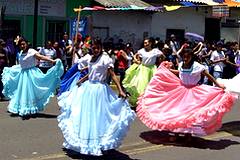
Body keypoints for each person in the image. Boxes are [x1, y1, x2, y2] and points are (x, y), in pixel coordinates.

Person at [136, 47, 237, 141]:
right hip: (180, 91)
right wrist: (168, 70)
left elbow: (208, 75)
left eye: (187, 56)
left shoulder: (197, 66)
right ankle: (175, 132)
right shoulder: (181, 64)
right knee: (177, 112)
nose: (185, 58)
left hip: (193, 92)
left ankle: (188, 134)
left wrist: (218, 85)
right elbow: (180, 72)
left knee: (189, 114)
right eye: (184, 56)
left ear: (191, 57)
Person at [57, 38, 136, 156]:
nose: (95, 50)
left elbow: (113, 75)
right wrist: (82, 80)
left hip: (100, 90)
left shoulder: (105, 59)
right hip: (88, 88)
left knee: (99, 117)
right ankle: (86, 143)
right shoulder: (90, 58)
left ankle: (98, 143)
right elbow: (91, 72)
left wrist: (120, 90)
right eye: (93, 48)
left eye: (97, 48)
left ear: (101, 48)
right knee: (85, 115)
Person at [1, 38, 64, 120]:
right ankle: (24, 108)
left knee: (31, 91)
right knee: (23, 92)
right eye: (21, 44)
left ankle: (31, 108)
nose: (22, 46)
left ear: (27, 44)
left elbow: (40, 57)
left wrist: (52, 60)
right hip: (23, 74)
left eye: (24, 44)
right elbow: (22, 64)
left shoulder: (31, 51)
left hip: (32, 74)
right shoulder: (20, 52)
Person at [122, 37, 165, 106]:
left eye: (146, 43)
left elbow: (163, 56)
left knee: (152, 86)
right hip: (143, 69)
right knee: (141, 85)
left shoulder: (155, 51)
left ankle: (149, 102)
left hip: (152, 69)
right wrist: (137, 60)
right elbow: (135, 56)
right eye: (144, 43)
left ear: (150, 43)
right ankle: (141, 102)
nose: (145, 44)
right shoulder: (141, 51)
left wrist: (159, 62)